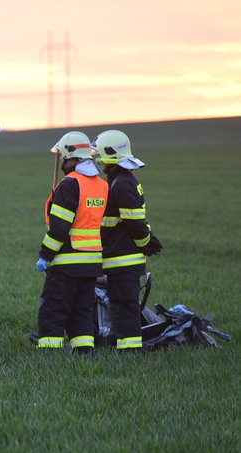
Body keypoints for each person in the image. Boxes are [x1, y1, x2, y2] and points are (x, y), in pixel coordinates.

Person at [35, 131, 108, 353]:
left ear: (71, 157)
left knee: (53, 310)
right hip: (91, 262)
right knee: (82, 310)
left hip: (66, 262)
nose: (61, 163)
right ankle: (84, 350)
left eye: (63, 158)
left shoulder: (69, 184)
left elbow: (59, 228)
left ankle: (50, 354)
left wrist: (45, 255)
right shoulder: (101, 185)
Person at [92, 129, 162, 352]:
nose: (97, 161)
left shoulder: (121, 184)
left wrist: (145, 243)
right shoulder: (119, 181)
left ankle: (130, 350)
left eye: (100, 155)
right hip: (120, 258)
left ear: (110, 156)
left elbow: (134, 223)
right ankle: (121, 343)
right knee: (120, 304)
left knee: (125, 305)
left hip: (124, 260)